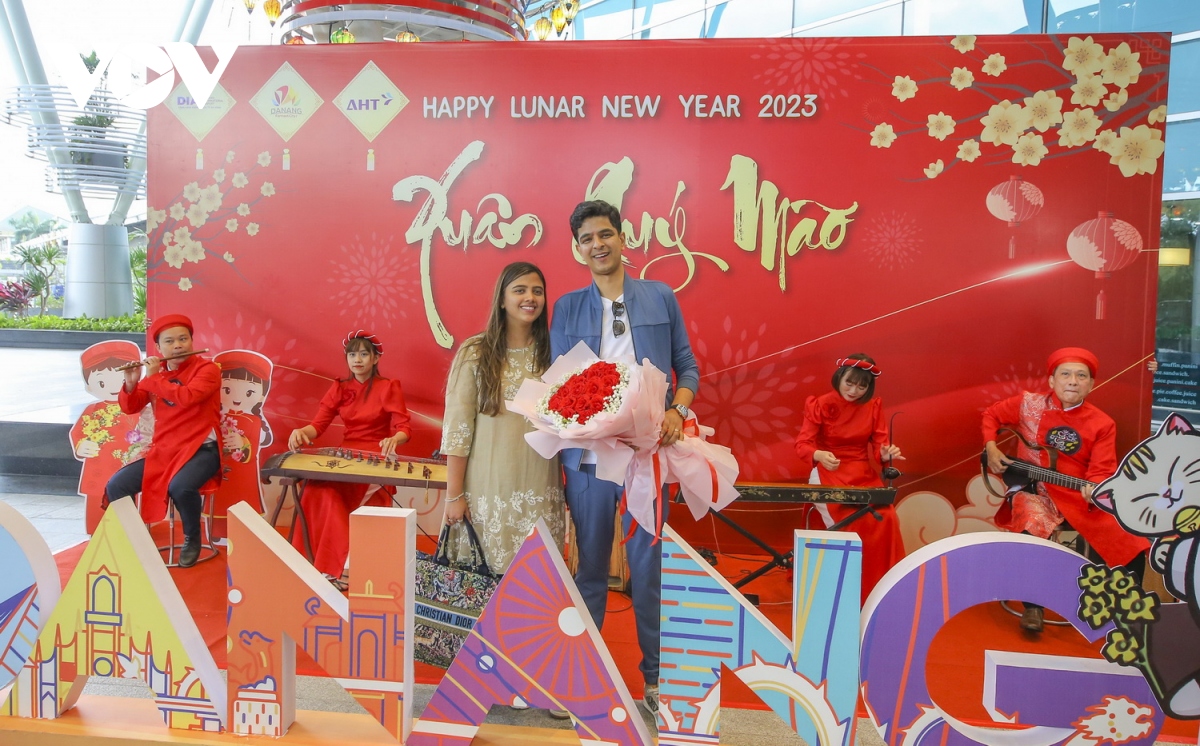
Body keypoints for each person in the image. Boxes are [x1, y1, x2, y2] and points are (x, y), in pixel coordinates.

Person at [550, 199, 699, 715]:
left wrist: (677, 410)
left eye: (605, 234)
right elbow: (559, 381)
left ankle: (657, 681)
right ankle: (581, 677)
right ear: (578, 248)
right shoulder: (567, 307)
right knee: (590, 566)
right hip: (589, 459)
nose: (598, 245)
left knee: (648, 569)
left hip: (645, 457)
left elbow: (687, 366)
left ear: (622, 237)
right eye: (587, 238)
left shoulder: (660, 296)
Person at [982, 346, 1149, 632]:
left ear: (1091, 384)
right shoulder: (1029, 404)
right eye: (1066, 374)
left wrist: (1094, 487)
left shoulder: (1102, 423)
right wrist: (991, 447)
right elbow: (991, 415)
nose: (1073, 381)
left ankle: (1124, 608)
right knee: (1033, 519)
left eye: (1081, 376)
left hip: (1078, 497)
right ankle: (1033, 606)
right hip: (1033, 490)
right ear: (1052, 380)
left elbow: (1101, 470)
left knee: (1127, 533)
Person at [441, 261, 565, 575]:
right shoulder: (475, 352)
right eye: (520, 290)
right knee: (483, 587)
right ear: (502, 299)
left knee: (535, 586)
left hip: (540, 486)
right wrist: (454, 495)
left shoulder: (554, 353)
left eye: (537, 291)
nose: (530, 298)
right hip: (487, 490)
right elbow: (458, 430)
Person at [287, 331, 412, 590]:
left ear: (375, 358)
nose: (357, 359)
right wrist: (301, 432)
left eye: (364, 354)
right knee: (316, 490)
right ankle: (318, 564)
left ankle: (339, 568)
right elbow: (318, 425)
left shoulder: (388, 386)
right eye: (352, 354)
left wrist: (394, 439)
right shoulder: (340, 388)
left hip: (376, 455)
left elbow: (404, 428)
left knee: (336, 496)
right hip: (346, 455)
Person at [104, 314, 222, 568]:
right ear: (158, 347)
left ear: (192, 341)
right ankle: (132, 539)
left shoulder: (208, 370)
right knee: (117, 485)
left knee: (181, 487)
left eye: (183, 339)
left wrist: (154, 377)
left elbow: (188, 397)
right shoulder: (156, 374)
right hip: (165, 450)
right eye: (169, 341)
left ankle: (192, 538)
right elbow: (131, 407)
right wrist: (131, 382)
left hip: (202, 450)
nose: (177, 345)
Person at [794, 354, 905, 603]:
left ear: (869, 388)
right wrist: (819, 455)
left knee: (886, 518)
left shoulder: (873, 407)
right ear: (839, 378)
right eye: (849, 383)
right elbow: (802, 445)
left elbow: (880, 447)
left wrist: (885, 453)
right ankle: (844, 590)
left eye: (862, 386)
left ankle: (877, 590)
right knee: (850, 521)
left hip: (862, 473)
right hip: (828, 472)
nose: (854, 391)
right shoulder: (820, 404)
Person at [72, 340, 144, 534]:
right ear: (89, 385)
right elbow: (78, 433)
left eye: (120, 380)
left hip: (129, 467)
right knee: (97, 507)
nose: (112, 387)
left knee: (130, 506)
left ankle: (133, 537)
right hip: (98, 470)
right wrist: (81, 445)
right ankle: (97, 537)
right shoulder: (92, 410)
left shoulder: (139, 407)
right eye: (102, 382)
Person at [212, 349, 274, 540]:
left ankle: (245, 534)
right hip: (219, 466)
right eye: (227, 390)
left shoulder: (255, 421)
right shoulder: (215, 416)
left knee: (244, 499)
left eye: (249, 392)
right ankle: (218, 533)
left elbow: (265, 438)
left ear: (262, 395)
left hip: (245, 472)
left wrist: (243, 442)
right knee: (220, 498)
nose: (237, 398)